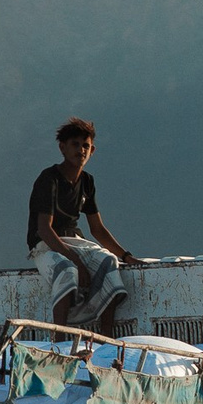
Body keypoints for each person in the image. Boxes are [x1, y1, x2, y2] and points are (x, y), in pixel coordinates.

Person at [29, 117, 141, 331]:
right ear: (62, 147)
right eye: (75, 144)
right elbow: (44, 229)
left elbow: (97, 229)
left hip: (75, 242)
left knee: (108, 262)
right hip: (45, 245)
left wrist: (126, 257)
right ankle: (60, 341)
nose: (81, 150)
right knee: (66, 270)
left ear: (92, 150)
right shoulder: (49, 179)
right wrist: (77, 262)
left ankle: (106, 339)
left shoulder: (87, 181)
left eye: (85, 146)